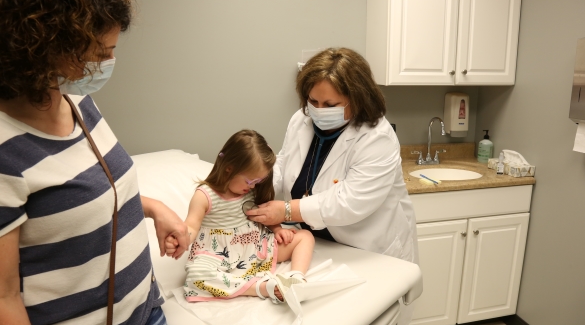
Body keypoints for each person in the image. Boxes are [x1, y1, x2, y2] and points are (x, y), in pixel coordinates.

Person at [0, 0, 188, 325]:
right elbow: (3, 299)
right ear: (41, 47)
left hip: (143, 318)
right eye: (99, 52)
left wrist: (152, 209)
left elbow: (95, 188)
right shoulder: (5, 150)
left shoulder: (79, 102)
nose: (106, 63)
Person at [247, 47, 418, 264]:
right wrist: (255, 184)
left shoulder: (377, 138)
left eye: (330, 105)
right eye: (313, 101)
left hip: (368, 252)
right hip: (319, 245)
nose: (318, 111)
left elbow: (349, 202)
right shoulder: (301, 120)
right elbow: (284, 164)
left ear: (357, 99)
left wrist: (287, 210)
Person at [166, 130, 315, 304]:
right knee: (196, 277)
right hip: (218, 254)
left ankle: (296, 278)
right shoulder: (204, 196)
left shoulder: (250, 191)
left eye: (257, 182)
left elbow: (263, 216)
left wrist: (277, 229)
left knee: (305, 236)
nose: (253, 187)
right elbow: (191, 226)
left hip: (255, 248)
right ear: (229, 169)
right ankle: (261, 287)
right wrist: (179, 239)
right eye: (250, 181)